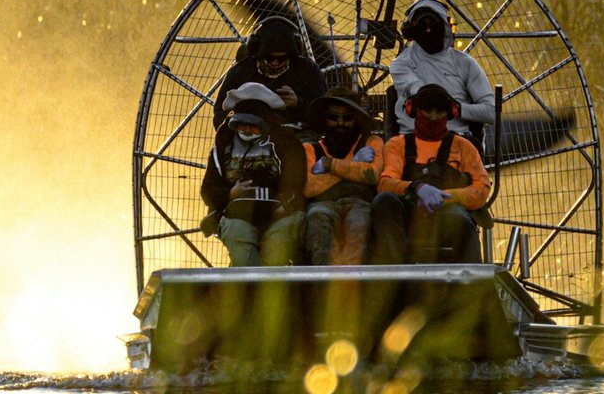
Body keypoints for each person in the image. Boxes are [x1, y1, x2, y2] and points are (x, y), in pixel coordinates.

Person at [372, 83, 490, 265]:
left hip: (448, 215)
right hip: (408, 216)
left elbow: (482, 188)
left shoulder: (464, 146)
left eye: (439, 111)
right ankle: (398, 274)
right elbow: (385, 183)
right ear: (413, 110)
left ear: (450, 113)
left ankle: (473, 284)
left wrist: (447, 197)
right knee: (384, 201)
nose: (433, 117)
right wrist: (416, 188)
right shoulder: (398, 144)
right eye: (427, 110)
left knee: (459, 219)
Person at [200, 83, 308, 267]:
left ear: (266, 124)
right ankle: (249, 287)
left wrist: (287, 205)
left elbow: (299, 180)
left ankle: (266, 289)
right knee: (239, 242)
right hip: (237, 215)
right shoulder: (223, 146)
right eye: (242, 125)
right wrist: (230, 194)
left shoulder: (286, 141)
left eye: (254, 126)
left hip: (279, 215)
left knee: (277, 250)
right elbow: (208, 189)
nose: (247, 130)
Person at [388, 0, 495, 141]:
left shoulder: (466, 64)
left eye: (433, 23)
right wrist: (444, 104)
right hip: (411, 142)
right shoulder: (400, 64)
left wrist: (458, 109)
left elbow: (492, 112)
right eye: (422, 24)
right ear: (410, 30)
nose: (428, 29)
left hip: (456, 142)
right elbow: (420, 91)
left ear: (446, 27)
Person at [301, 88, 381, 265]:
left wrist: (329, 166)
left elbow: (372, 175)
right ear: (324, 118)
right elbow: (309, 188)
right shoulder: (310, 149)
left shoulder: (372, 142)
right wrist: (353, 165)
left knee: (359, 223)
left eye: (347, 118)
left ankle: (352, 284)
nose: (340, 123)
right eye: (333, 117)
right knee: (317, 217)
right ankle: (324, 284)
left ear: (357, 119)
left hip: (360, 203)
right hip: (322, 204)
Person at [213, 16, 326, 129]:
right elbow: (219, 114)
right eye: (269, 58)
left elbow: (324, 114)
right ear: (257, 52)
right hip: (250, 136)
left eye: (282, 59)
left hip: (296, 137)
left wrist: (297, 103)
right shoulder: (241, 71)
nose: (275, 63)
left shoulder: (308, 70)